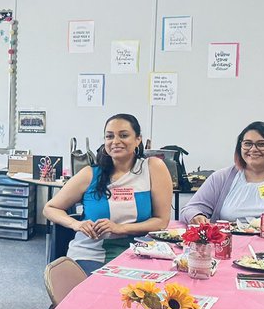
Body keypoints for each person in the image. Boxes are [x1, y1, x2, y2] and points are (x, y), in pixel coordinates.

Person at [42, 113, 172, 275]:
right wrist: (76, 224)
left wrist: (121, 228)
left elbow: (161, 221)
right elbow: (50, 208)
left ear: (138, 139)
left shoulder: (153, 168)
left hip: (139, 252)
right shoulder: (90, 174)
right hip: (91, 254)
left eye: (124, 135)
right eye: (109, 136)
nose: (116, 141)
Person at [179, 121, 264, 229]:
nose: (253, 149)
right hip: (228, 247)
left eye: (261, 144)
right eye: (247, 144)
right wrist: (196, 216)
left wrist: (262, 222)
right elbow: (189, 209)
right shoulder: (221, 177)